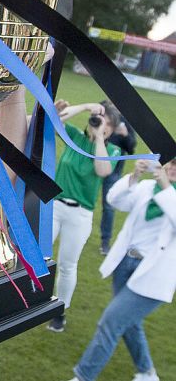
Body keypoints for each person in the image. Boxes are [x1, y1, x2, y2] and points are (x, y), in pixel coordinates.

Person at [67, 159, 175, 381]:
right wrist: (134, 177)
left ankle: (83, 376)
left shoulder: (168, 195)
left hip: (153, 275)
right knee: (129, 322)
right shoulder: (146, 188)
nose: (172, 168)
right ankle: (147, 373)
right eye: (170, 163)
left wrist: (166, 187)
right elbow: (114, 200)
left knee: (111, 322)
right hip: (125, 264)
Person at [48, 102, 123, 332]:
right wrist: (86, 107)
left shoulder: (111, 151)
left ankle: (59, 312)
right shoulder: (74, 137)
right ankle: (27, 299)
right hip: (54, 206)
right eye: (99, 119)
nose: (102, 126)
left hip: (80, 214)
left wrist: (99, 138)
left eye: (108, 125)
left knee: (68, 265)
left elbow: (102, 171)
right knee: (39, 256)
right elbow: (54, 119)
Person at [100, 106, 137, 255]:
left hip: (113, 171)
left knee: (108, 206)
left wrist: (126, 135)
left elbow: (131, 148)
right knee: (79, 200)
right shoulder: (103, 112)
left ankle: (105, 243)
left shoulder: (125, 122)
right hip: (94, 165)